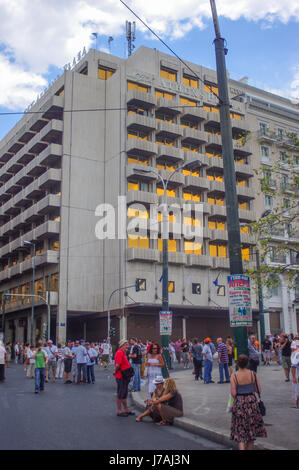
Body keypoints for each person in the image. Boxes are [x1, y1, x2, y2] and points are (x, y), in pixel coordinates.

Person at [230, 354, 267, 450]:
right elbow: (259, 389)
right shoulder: (253, 374)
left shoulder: (234, 376)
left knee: (240, 431)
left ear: (238, 363)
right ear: (247, 363)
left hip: (240, 402)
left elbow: (233, 393)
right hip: (251, 402)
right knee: (251, 432)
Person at [113, 339, 135, 417]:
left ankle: (126, 409)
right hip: (120, 376)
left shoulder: (123, 353)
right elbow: (118, 365)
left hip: (125, 376)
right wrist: (115, 372)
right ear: (121, 345)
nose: (128, 346)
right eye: (126, 345)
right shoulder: (119, 353)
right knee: (120, 393)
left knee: (124, 393)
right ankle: (119, 410)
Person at [290, 339, 299, 408]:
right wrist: (293, 377)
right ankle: (296, 403)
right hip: (297, 375)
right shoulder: (296, 354)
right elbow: (293, 366)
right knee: (296, 389)